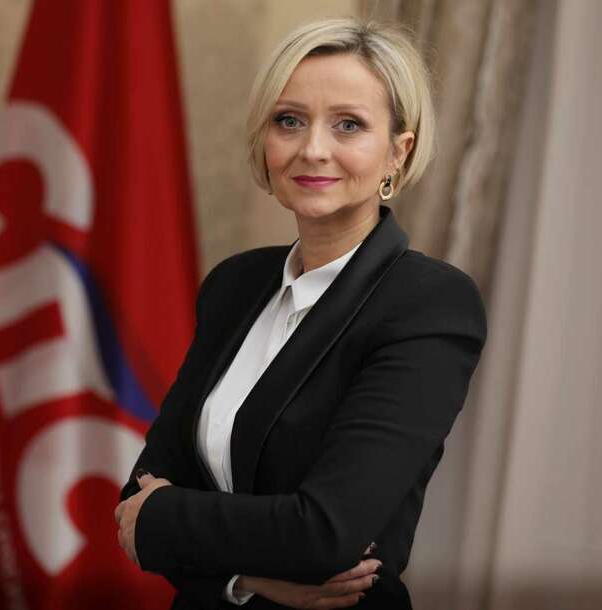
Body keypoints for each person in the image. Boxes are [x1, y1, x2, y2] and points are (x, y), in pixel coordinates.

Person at [114, 17, 486, 610]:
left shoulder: (429, 303)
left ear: (399, 151)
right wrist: (247, 581)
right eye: (289, 120)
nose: (312, 148)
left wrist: (165, 518)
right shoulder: (234, 284)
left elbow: (325, 533)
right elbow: (138, 494)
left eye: (348, 124)